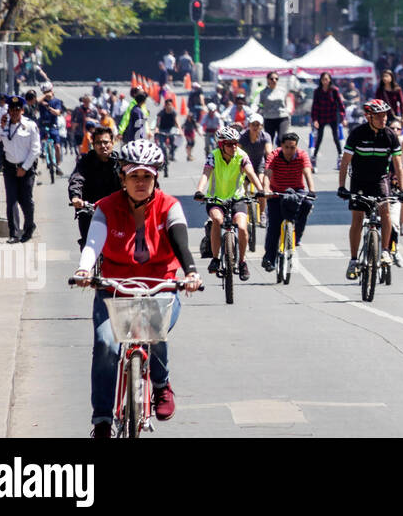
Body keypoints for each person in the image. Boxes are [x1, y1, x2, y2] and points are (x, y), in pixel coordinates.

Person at [71, 139, 200, 438]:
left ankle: (160, 384)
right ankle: (102, 419)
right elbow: (93, 243)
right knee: (105, 345)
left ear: (156, 177)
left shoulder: (170, 206)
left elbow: (180, 240)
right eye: (134, 176)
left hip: (161, 286)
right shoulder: (106, 207)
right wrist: (84, 269)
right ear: (122, 177)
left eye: (147, 176)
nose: (141, 182)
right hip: (115, 288)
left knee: (156, 328)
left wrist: (191, 272)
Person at [339, 99, 403, 279]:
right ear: (368, 116)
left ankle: (385, 250)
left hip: (380, 180)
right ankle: (353, 260)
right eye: (378, 116)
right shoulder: (357, 134)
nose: (383, 119)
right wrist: (341, 187)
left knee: (385, 212)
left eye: (385, 115)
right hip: (359, 181)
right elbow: (345, 162)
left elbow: (398, 166)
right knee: (357, 218)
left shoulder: (390, 135)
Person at [193, 125, 263, 281]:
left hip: (237, 198)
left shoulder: (241, 155)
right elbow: (206, 174)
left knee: (243, 228)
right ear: (221, 145)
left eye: (235, 143)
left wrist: (260, 189)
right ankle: (216, 258)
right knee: (217, 220)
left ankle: (242, 261)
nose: (233, 147)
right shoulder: (213, 156)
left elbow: (251, 173)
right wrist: (199, 191)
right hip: (215, 199)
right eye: (229, 144)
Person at [261, 132, 315, 273]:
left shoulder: (302, 155)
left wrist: (312, 190)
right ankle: (269, 258)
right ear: (281, 146)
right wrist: (266, 189)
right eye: (286, 147)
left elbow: (307, 172)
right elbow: (268, 173)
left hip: (297, 191)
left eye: (292, 147)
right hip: (276, 193)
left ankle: (296, 237)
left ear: (296, 147)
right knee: (274, 227)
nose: (289, 151)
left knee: (308, 204)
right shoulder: (274, 155)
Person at [0, 95, 40, 243]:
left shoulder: (30, 126)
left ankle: (29, 227)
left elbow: (36, 150)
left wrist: (24, 167)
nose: (14, 113)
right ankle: (14, 233)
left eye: (17, 110)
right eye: (12, 110)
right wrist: (0, 127)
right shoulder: (3, 126)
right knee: (11, 200)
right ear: (8, 111)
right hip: (10, 167)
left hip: (26, 167)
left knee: (26, 200)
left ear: (22, 111)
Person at [68, 125, 122, 250]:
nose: (103, 146)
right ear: (93, 144)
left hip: (115, 209)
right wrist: (76, 197)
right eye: (98, 143)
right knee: (88, 244)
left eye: (106, 142)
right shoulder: (85, 161)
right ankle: (87, 267)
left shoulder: (120, 162)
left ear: (112, 143)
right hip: (89, 208)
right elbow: (77, 179)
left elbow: (129, 182)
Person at [310, 71, 345, 164]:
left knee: (335, 136)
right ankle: (314, 157)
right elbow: (314, 106)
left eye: (326, 79)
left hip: (333, 116)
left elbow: (341, 105)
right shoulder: (317, 91)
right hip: (322, 116)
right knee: (319, 137)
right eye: (323, 79)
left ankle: (340, 155)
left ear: (329, 80)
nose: (325, 81)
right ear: (320, 80)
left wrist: (343, 116)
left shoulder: (334, 90)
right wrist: (315, 120)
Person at [36, 83, 66, 169]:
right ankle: (43, 152)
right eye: (45, 92)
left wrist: (49, 108)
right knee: (41, 140)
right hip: (43, 124)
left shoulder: (56, 101)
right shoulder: (41, 101)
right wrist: (44, 97)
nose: (47, 93)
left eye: (48, 91)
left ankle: (58, 164)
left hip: (53, 125)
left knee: (57, 146)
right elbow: (36, 101)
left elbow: (57, 112)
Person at [258, 72, 290, 144]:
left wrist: (289, 110)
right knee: (269, 140)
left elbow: (286, 102)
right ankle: (269, 155)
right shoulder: (263, 92)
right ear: (268, 80)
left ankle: (281, 154)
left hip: (282, 117)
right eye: (272, 79)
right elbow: (261, 105)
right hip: (269, 118)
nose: (274, 80)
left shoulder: (282, 90)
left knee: (282, 139)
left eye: (276, 79)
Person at [155, 97, 180, 163]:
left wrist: (180, 130)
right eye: (168, 105)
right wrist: (157, 129)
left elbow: (176, 122)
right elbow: (157, 123)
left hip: (171, 129)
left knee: (175, 141)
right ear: (165, 105)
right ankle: (162, 158)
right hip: (162, 129)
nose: (170, 106)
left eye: (171, 105)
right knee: (162, 145)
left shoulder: (173, 112)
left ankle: (172, 155)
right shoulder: (161, 112)